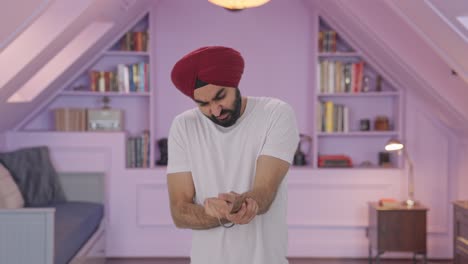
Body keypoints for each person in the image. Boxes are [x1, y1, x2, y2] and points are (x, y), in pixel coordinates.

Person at [167, 46, 299, 264]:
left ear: (234, 84)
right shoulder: (183, 126)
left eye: (220, 97)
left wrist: (241, 204)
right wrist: (214, 213)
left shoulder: (276, 113)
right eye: (203, 104)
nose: (216, 110)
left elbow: (264, 192)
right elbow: (179, 212)